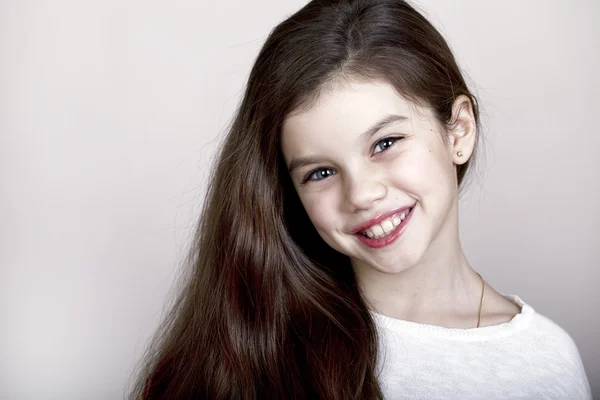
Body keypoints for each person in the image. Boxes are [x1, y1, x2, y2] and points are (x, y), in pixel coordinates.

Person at [130, 0, 592, 398]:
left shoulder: (545, 362)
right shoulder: (247, 354)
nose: (362, 194)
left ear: (460, 131)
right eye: (322, 172)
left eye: (385, 143)